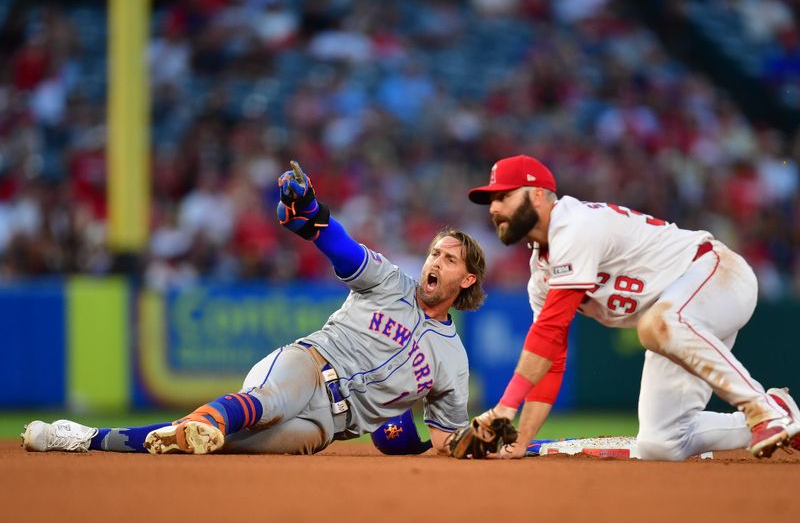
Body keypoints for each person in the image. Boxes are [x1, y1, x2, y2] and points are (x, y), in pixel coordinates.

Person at [22, 163, 487, 456]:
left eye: (448, 259)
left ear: (466, 280)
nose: (434, 261)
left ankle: (82, 437)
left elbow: (449, 440)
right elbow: (342, 248)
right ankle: (208, 417)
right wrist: (311, 210)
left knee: (214, 445)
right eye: (433, 253)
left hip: (324, 426)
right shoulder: (390, 282)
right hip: (308, 366)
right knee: (268, 403)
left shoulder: (454, 361)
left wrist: (494, 439)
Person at [465, 154, 800, 461]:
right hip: (676, 320)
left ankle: (764, 410)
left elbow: (548, 329)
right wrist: (521, 439)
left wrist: (505, 407)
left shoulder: (575, 224)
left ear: (537, 194)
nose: (494, 207)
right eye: (491, 199)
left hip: (717, 276)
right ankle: (782, 411)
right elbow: (550, 356)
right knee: (662, 444)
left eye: (503, 196)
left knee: (659, 323)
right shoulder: (541, 276)